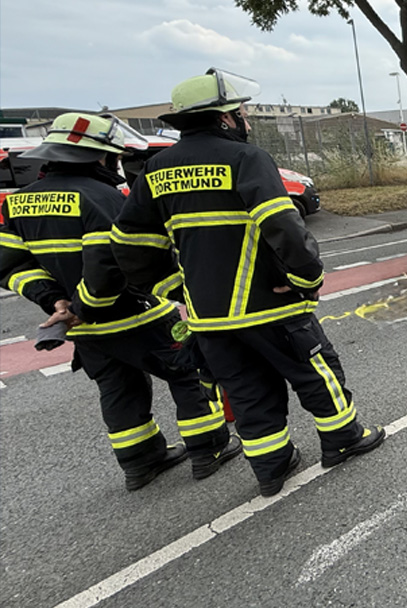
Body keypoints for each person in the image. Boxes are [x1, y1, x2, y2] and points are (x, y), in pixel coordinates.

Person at [112, 69, 385, 497]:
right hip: (271, 307)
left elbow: (130, 246)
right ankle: (343, 440)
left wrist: (175, 292)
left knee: (247, 391)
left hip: (209, 319)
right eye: (242, 112)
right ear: (224, 118)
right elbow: (284, 226)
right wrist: (306, 279)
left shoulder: (155, 168)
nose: (248, 120)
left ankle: (271, 470)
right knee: (316, 373)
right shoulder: (245, 159)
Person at [0, 112, 239, 491]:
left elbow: (12, 265)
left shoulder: (18, 203)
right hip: (136, 318)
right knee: (188, 374)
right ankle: (207, 450)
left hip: (86, 331)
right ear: (99, 157)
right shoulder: (102, 198)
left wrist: (56, 302)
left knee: (118, 389)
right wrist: (84, 306)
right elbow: (109, 264)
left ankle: (140, 462)